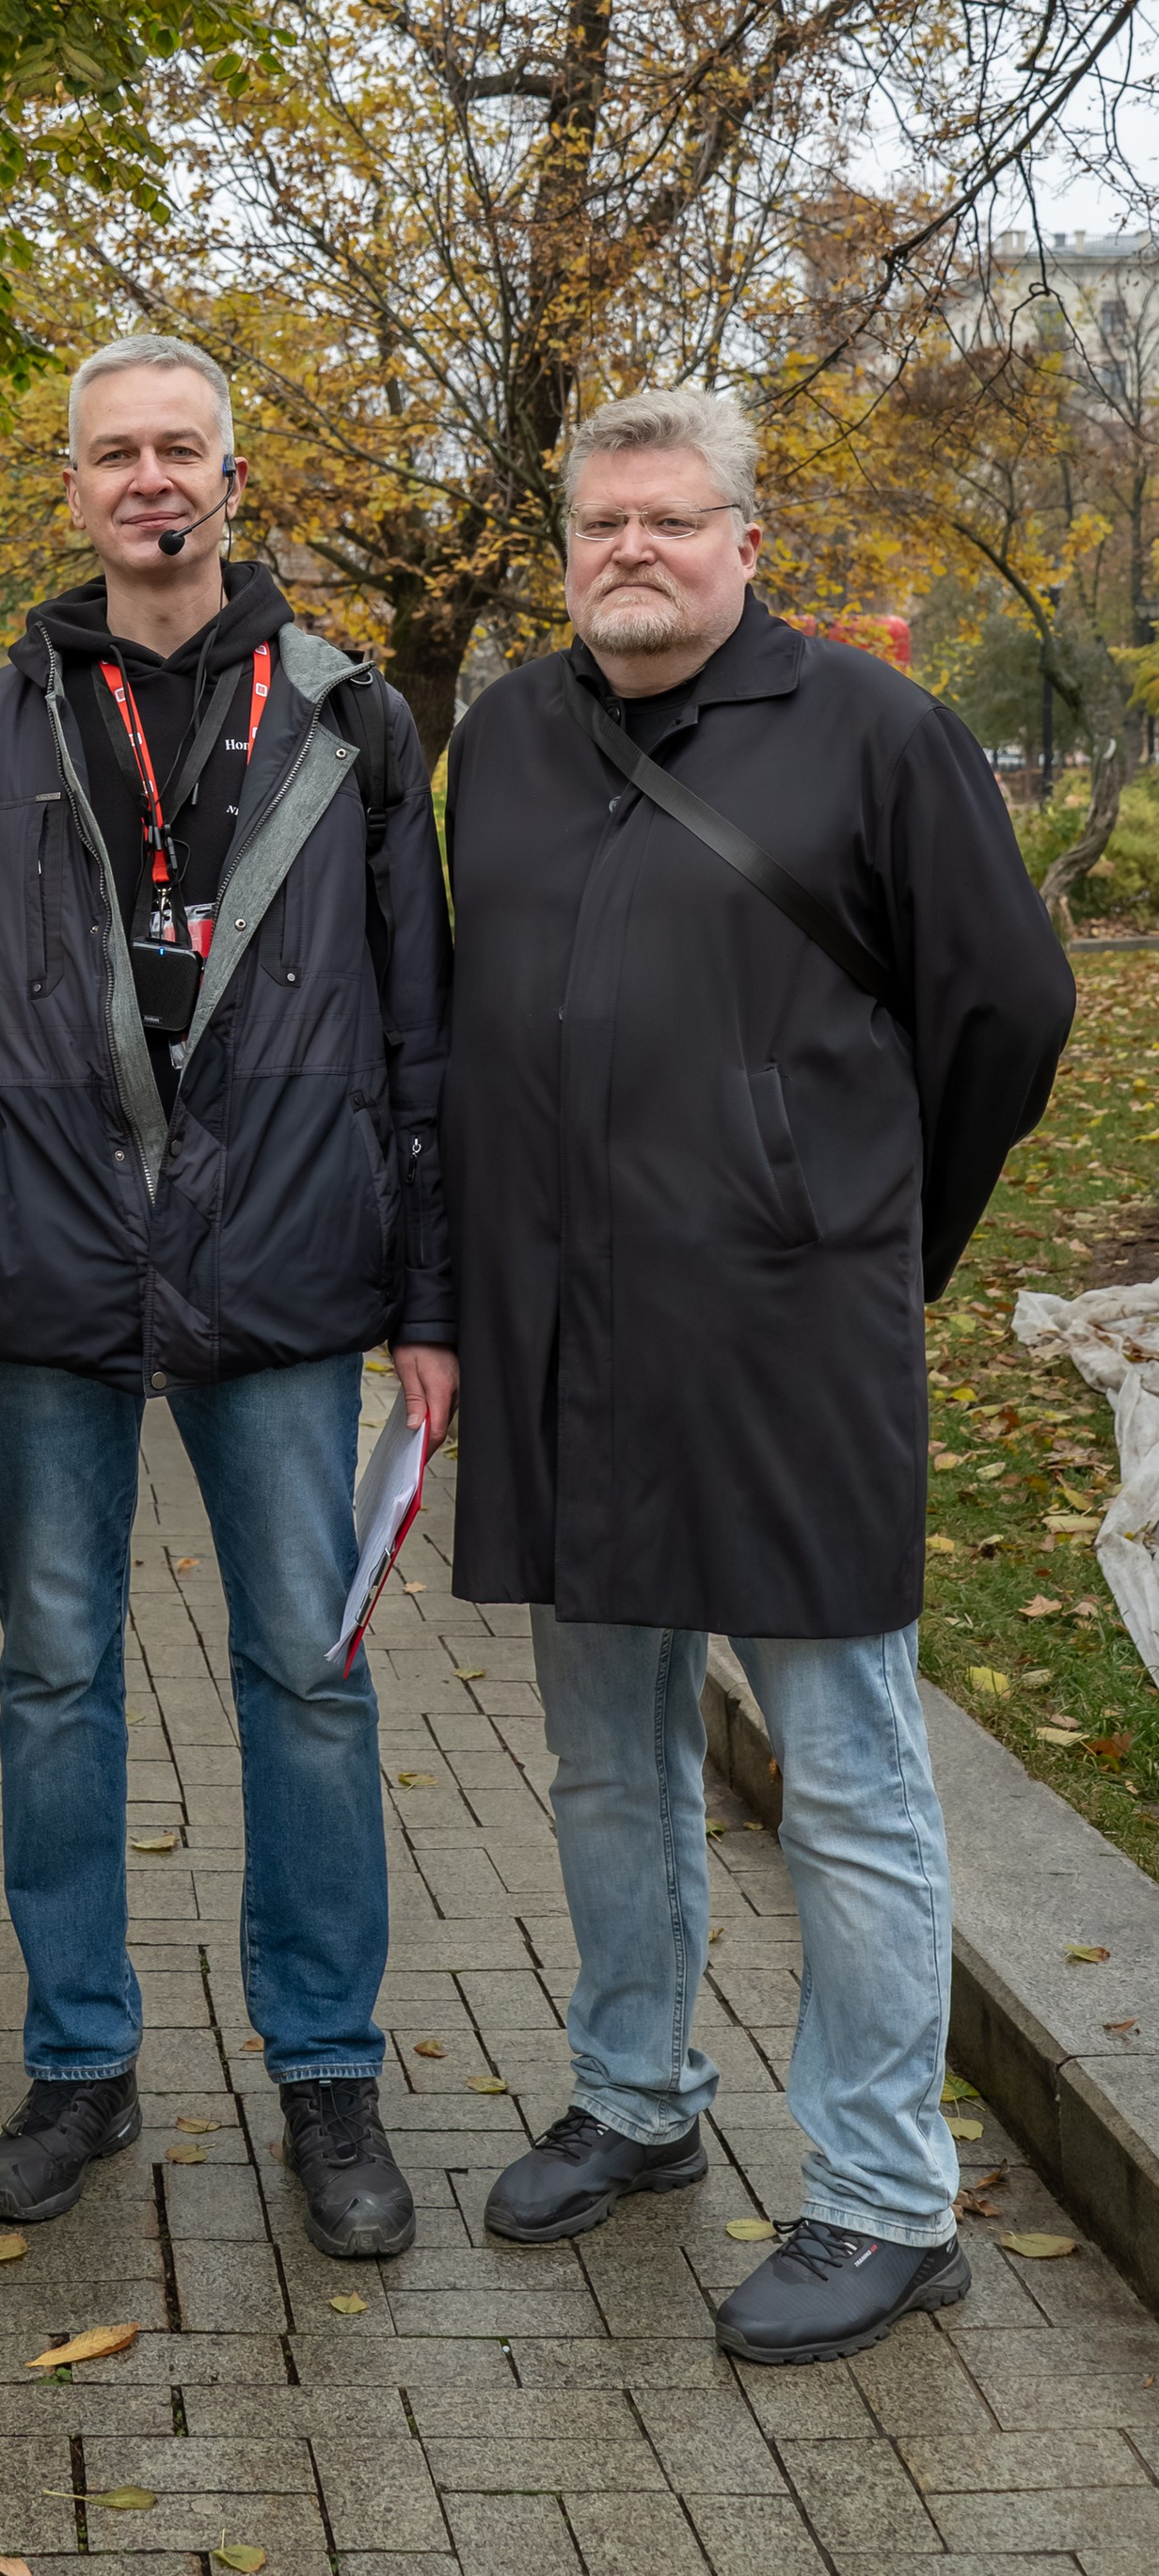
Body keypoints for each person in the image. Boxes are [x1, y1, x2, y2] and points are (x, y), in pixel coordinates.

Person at [444, 386, 1074, 2365]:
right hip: (565, 1334)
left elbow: (1009, 1011)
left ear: (742, 537)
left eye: (667, 520)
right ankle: (635, 2101)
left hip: (787, 1336)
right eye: (596, 525)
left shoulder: (873, 736)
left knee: (850, 1779)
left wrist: (862, 1228)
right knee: (600, 1757)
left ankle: (883, 2197)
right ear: (561, 549)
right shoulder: (508, 741)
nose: (629, 551)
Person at [0, 332, 459, 2261]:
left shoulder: (351, 717)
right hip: (45, 1268)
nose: (150, 481)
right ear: (71, 492)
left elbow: (427, 1034)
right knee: (49, 1680)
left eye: (179, 450)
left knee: (307, 1673)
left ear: (229, 476)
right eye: (113, 454)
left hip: (284, 1273)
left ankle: (325, 2074)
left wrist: (427, 1301)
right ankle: (77, 2063)